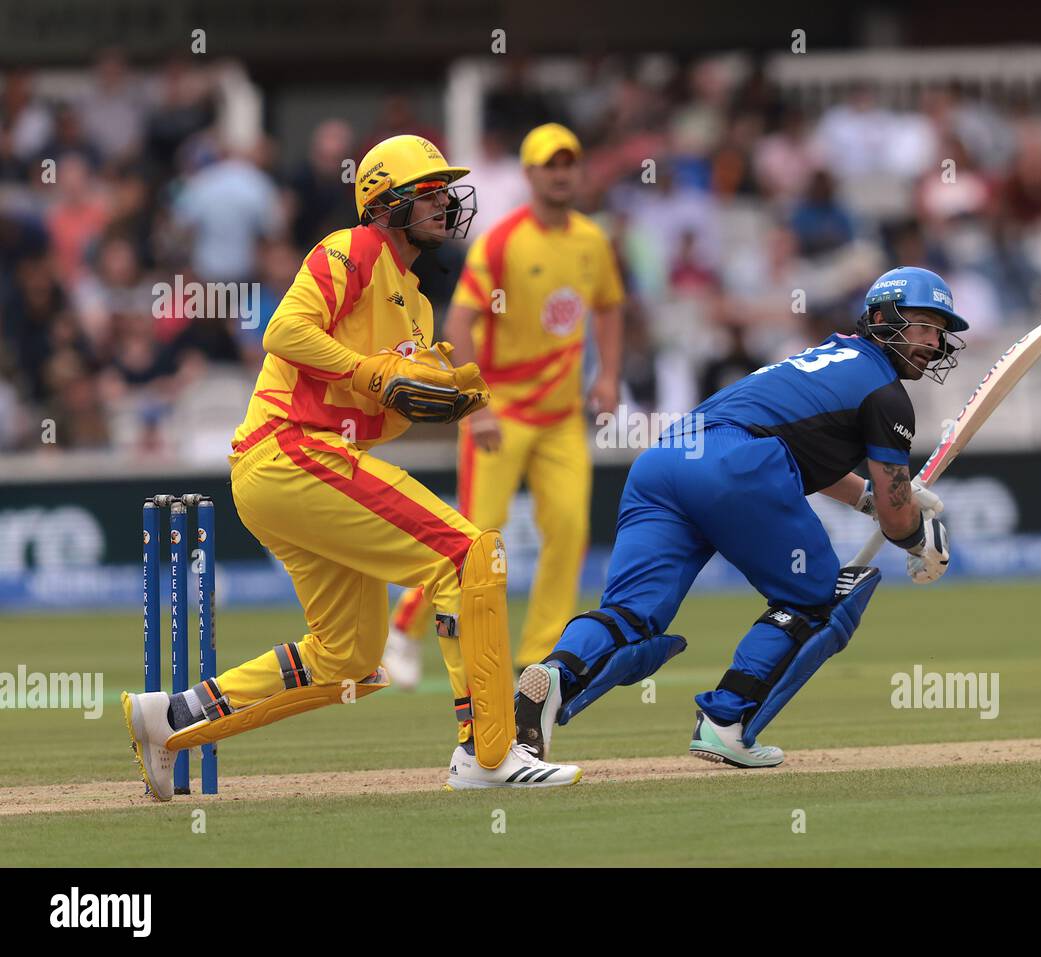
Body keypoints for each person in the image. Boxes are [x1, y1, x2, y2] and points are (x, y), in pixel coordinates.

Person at [121, 134, 582, 797]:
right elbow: (283, 331)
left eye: (446, 193)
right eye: (430, 194)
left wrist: (431, 394)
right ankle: (488, 750)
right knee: (467, 555)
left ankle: (170, 718)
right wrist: (373, 370)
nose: (447, 204)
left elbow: (382, 415)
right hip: (291, 448)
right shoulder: (351, 250)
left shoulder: (419, 305)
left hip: (293, 468)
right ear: (385, 202)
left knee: (349, 660)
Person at [513, 267, 965, 768]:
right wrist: (924, 538)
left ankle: (553, 678)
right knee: (818, 599)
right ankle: (727, 722)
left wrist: (867, 499)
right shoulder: (886, 393)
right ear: (880, 318)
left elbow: (800, 447)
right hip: (734, 464)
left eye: (939, 330)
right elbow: (897, 518)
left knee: (631, 614)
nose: (933, 341)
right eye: (921, 325)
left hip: (665, 462)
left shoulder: (825, 355)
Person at [385, 122, 624, 688]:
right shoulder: (503, 241)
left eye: (570, 163)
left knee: (568, 529)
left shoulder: (592, 240)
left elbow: (610, 306)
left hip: (561, 417)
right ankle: (403, 629)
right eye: (551, 164)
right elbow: (460, 322)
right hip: (503, 412)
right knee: (472, 533)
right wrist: (476, 406)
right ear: (531, 174)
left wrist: (608, 375)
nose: (562, 173)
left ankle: (541, 657)